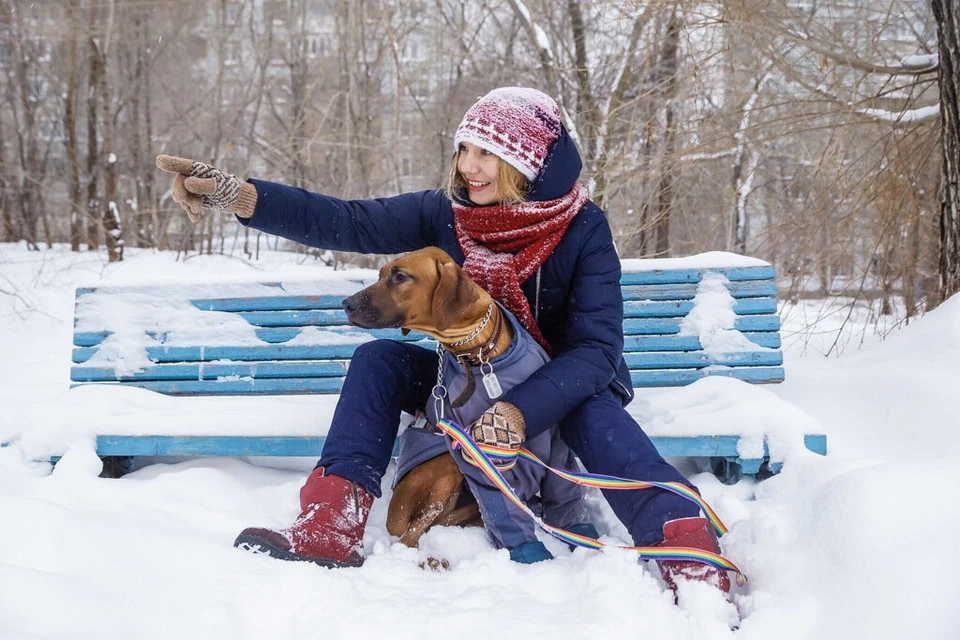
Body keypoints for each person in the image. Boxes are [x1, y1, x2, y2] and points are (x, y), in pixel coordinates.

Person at [157, 87, 731, 597]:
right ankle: (332, 519)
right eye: (464, 149)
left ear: (524, 164)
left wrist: (518, 409)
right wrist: (240, 196)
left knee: (598, 419)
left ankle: (681, 541)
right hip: (465, 378)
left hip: (561, 380)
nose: (469, 167)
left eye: (487, 153)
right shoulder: (446, 213)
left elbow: (597, 352)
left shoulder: (582, 227)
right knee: (377, 360)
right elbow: (348, 221)